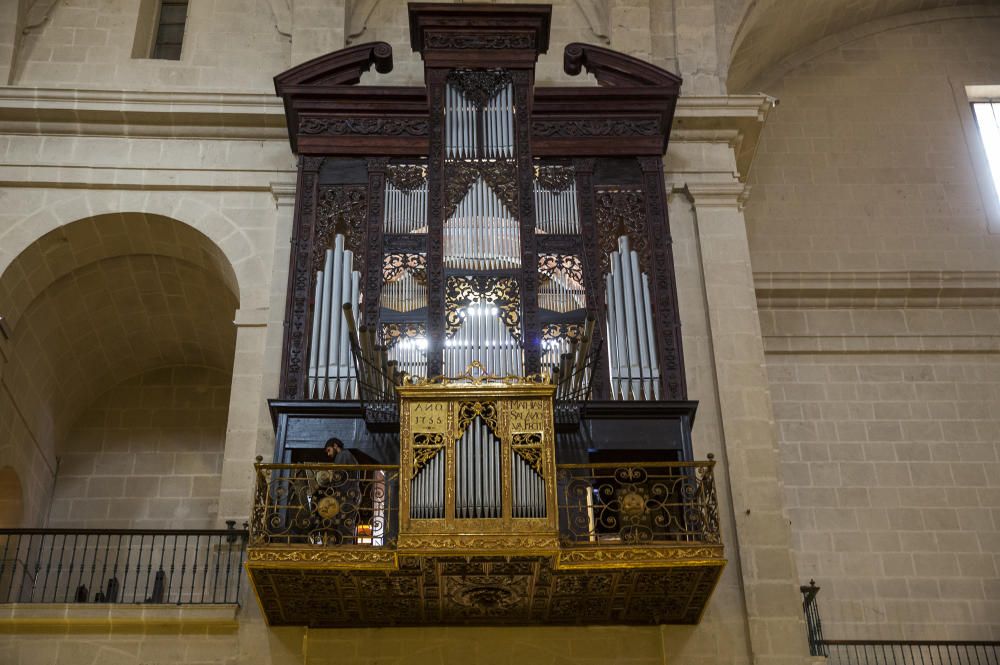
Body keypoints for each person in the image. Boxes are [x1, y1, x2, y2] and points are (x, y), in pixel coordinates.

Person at [310, 438, 360, 544]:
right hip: (351, 495)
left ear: (335, 446)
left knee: (342, 526)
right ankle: (346, 551)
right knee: (347, 525)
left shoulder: (342, 455)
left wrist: (326, 480)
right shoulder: (349, 456)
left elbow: (338, 476)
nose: (328, 454)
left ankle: (342, 552)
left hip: (346, 496)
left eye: (329, 450)